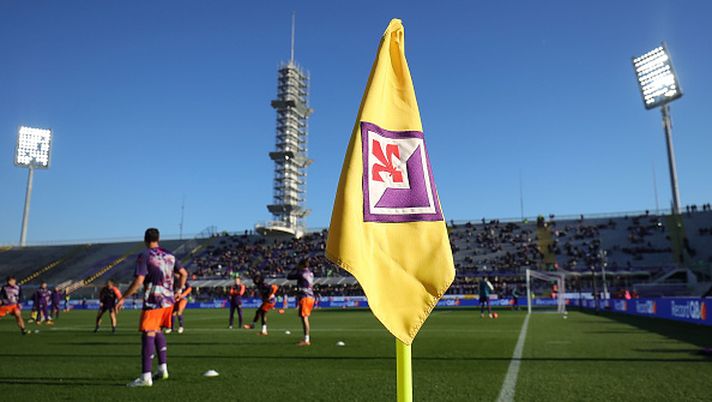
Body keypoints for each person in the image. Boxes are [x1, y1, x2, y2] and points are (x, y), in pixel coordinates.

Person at [117, 228, 188, 387]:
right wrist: (179, 290)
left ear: (145, 239)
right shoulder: (170, 255)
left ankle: (145, 377)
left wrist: (123, 297)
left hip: (153, 300)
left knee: (147, 333)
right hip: (168, 300)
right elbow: (184, 273)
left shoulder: (145, 255)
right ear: (158, 239)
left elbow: (138, 281)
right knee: (157, 331)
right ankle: (162, 369)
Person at [287, 259, 315, 346]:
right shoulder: (310, 273)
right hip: (311, 297)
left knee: (304, 318)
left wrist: (295, 268)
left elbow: (289, 277)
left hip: (305, 297)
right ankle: (306, 338)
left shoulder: (300, 273)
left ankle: (307, 340)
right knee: (304, 318)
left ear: (301, 265)